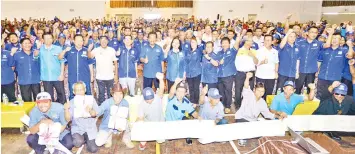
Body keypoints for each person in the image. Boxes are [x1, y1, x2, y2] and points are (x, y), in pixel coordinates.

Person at [63, 81, 99, 153]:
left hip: (90, 128)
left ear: (85, 90)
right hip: (78, 128)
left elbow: (96, 114)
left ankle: (87, 140)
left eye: (81, 89)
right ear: (74, 92)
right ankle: (82, 139)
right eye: (77, 90)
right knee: (77, 142)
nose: (79, 92)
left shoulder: (91, 99)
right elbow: (68, 119)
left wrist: (90, 110)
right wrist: (66, 109)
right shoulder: (71, 102)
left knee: (94, 149)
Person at [95, 83, 134, 149]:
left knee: (129, 125)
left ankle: (126, 139)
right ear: (112, 94)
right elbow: (99, 110)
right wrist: (94, 113)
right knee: (98, 142)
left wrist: (123, 125)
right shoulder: (107, 102)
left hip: (120, 125)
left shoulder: (125, 103)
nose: (118, 96)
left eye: (120, 93)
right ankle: (108, 138)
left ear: (123, 94)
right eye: (116, 94)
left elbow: (127, 117)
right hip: (107, 126)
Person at [317, 33, 354, 101]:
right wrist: (317, 73)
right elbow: (319, 62)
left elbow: (350, 55)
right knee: (320, 98)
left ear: (340, 41)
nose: (335, 40)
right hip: (322, 78)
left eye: (337, 38)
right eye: (333, 38)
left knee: (333, 99)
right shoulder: (325, 50)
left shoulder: (344, 50)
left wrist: (350, 46)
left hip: (335, 79)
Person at [295, 26, 332, 94]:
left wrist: (330, 34)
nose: (314, 34)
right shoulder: (300, 42)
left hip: (311, 71)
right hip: (300, 70)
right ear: (307, 33)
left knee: (309, 91)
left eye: (316, 32)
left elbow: (327, 45)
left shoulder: (318, 43)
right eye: (312, 32)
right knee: (297, 89)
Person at [58, 34, 94, 100]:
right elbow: (60, 57)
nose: (80, 42)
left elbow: (90, 64)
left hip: (85, 77)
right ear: (74, 41)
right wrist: (65, 50)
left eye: (81, 41)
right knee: (72, 96)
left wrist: (91, 76)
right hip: (73, 78)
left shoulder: (86, 51)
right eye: (77, 40)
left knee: (88, 95)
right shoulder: (69, 50)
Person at [165, 78, 200, 145]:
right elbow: (171, 92)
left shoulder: (187, 102)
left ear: (185, 93)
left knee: (187, 118)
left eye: (182, 92)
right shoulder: (171, 98)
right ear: (175, 92)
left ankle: (187, 136)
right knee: (169, 138)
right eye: (178, 91)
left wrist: (199, 117)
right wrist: (175, 83)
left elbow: (194, 113)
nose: (180, 93)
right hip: (169, 124)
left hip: (179, 124)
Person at [136, 72, 165, 151]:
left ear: (154, 95)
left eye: (151, 98)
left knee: (161, 140)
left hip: (160, 123)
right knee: (142, 140)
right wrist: (137, 124)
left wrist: (161, 80)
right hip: (148, 124)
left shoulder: (157, 97)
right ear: (144, 98)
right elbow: (141, 118)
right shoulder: (141, 104)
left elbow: (161, 89)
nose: (150, 100)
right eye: (147, 99)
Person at [36, 32, 66, 104]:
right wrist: (37, 48)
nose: (48, 40)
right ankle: (51, 113)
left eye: (50, 38)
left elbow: (62, 62)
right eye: (46, 38)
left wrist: (62, 74)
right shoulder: (40, 49)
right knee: (49, 97)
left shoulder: (58, 48)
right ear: (43, 40)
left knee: (61, 95)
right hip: (46, 77)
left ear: (52, 39)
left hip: (57, 76)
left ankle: (63, 111)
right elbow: (35, 57)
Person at [88, 36, 118, 105]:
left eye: (105, 40)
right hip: (100, 77)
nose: (103, 42)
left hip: (110, 77)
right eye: (102, 40)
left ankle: (111, 109)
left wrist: (116, 75)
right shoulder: (96, 50)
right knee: (101, 95)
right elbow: (89, 56)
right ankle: (101, 112)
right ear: (99, 42)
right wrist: (89, 49)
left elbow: (115, 63)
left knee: (110, 95)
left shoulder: (111, 50)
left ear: (107, 41)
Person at [234, 31, 258, 109]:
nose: (252, 42)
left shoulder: (253, 51)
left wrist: (253, 56)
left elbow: (257, 62)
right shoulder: (238, 50)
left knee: (249, 90)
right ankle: (238, 105)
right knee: (238, 90)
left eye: (252, 41)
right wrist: (240, 34)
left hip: (250, 73)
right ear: (245, 41)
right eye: (250, 41)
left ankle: (247, 105)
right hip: (240, 73)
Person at [217, 36, 239, 113]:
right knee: (221, 91)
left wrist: (239, 36)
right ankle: (223, 104)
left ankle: (227, 106)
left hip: (229, 75)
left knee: (228, 91)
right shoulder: (219, 53)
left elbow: (236, 44)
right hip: (219, 75)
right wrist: (219, 62)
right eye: (223, 43)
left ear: (229, 44)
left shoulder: (232, 51)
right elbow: (216, 62)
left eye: (226, 42)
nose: (224, 44)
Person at [255, 35, 279, 99]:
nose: (266, 42)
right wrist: (262, 62)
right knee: (259, 93)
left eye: (268, 40)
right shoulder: (259, 51)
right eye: (265, 40)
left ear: (272, 42)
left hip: (271, 76)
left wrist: (276, 72)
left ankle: (266, 107)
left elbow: (276, 62)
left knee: (268, 93)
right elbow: (256, 63)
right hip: (261, 76)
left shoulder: (275, 52)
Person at [185, 37, 203, 105]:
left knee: (196, 88)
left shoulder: (199, 51)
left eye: (194, 42)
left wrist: (199, 41)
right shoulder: (188, 52)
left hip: (196, 73)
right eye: (191, 42)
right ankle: (192, 102)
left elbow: (202, 47)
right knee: (190, 88)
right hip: (189, 73)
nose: (192, 44)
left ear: (197, 43)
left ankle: (196, 102)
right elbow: (186, 62)